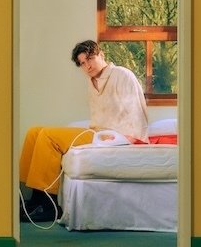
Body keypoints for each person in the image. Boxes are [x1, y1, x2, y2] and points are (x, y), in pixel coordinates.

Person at [19, 40, 148, 216]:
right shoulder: (92, 81)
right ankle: (33, 198)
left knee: (47, 135)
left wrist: (130, 137)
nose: (87, 66)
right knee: (34, 132)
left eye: (90, 59)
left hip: (113, 136)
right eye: (82, 63)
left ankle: (48, 205)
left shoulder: (122, 74)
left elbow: (136, 108)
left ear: (101, 55)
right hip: (97, 132)